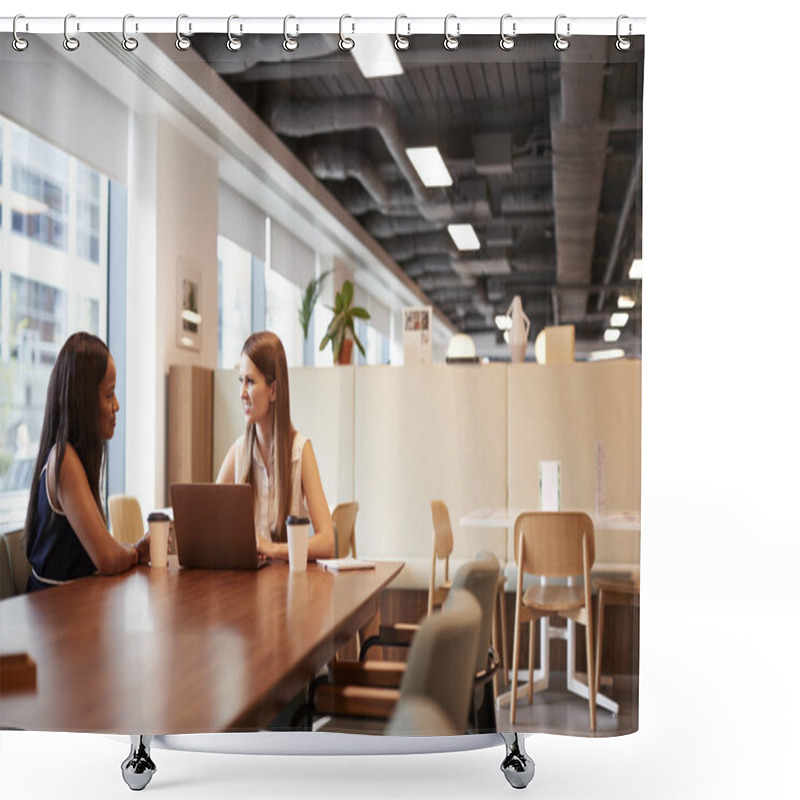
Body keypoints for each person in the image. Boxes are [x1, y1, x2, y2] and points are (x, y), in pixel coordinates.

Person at [24, 332, 149, 592]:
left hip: (72, 608)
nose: (116, 406)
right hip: (56, 616)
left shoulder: (71, 458)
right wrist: (134, 552)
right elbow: (107, 559)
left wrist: (127, 550)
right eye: (109, 395)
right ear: (84, 401)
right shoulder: (63, 459)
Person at [216, 331, 335, 561]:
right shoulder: (238, 453)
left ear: (273, 390)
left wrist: (274, 549)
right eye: (240, 381)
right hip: (245, 590)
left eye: (250, 382)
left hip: (288, 589)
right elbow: (209, 525)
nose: (242, 393)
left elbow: (328, 542)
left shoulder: (300, 451)